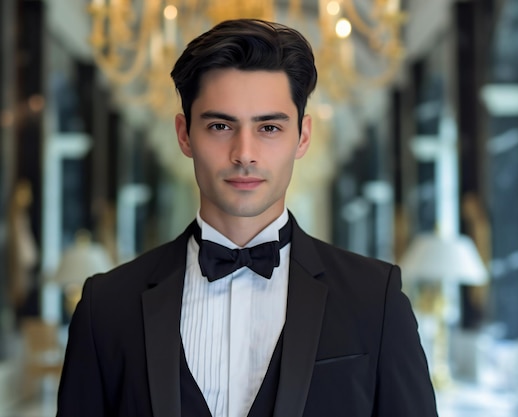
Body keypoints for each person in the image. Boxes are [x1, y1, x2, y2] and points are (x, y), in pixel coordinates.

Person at [57, 19, 438, 417]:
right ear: (185, 135)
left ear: (302, 137)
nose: (244, 153)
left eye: (269, 127)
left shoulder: (375, 299)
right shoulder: (106, 307)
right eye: (220, 126)